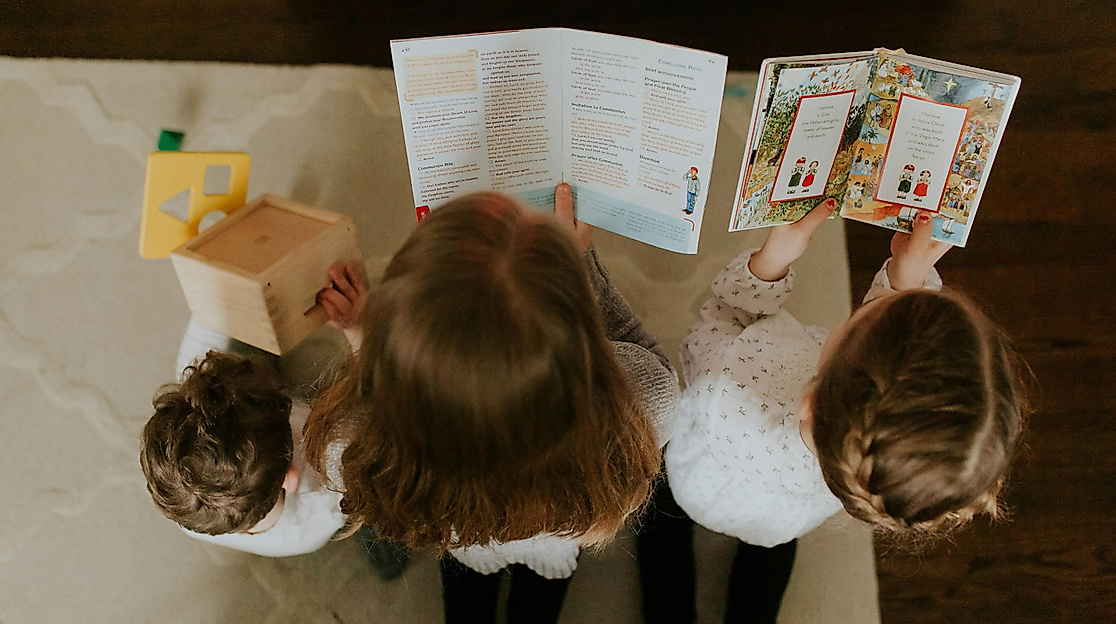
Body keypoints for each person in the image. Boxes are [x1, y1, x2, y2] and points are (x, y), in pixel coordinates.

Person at [302, 183, 679, 624]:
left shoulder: (347, 448)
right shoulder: (642, 402)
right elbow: (644, 355)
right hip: (557, 530)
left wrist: (364, 338)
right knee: (538, 602)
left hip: (460, 532)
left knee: (467, 597)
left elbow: (374, 399)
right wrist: (581, 266)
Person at [637, 199, 1028, 624]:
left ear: (811, 402)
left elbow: (720, 319)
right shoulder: (871, 464)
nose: (877, 301)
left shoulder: (729, 383)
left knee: (660, 525)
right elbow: (879, 355)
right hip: (783, 519)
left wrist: (770, 263)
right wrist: (905, 279)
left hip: (703, 486)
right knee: (766, 561)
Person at [139, 265, 409, 577]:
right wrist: (359, 328)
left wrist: (226, 276)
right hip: (345, 495)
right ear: (289, 479)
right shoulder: (324, 484)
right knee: (379, 502)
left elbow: (208, 317)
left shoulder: (185, 503)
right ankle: (386, 556)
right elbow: (384, 413)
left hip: (270, 480)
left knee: (244, 344)